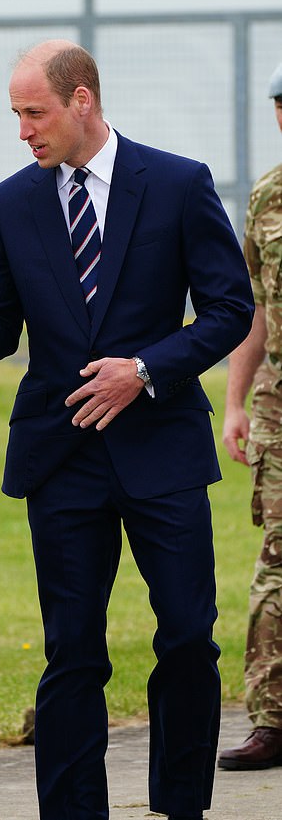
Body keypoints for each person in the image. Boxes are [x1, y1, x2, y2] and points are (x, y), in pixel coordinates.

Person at [0, 40, 254, 820]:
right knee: (71, 649)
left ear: (82, 101)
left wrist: (142, 369)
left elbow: (230, 310)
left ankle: (181, 805)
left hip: (162, 446)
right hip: (62, 452)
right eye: (15, 114)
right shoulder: (8, 201)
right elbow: (1, 318)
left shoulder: (177, 184)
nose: (23, 130)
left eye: (33, 112)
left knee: (187, 638)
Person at [218, 60, 282, 771]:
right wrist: (235, 403)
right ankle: (272, 718)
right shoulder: (268, 197)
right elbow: (252, 312)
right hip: (279, 406)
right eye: (279, 105)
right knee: (277, 562)